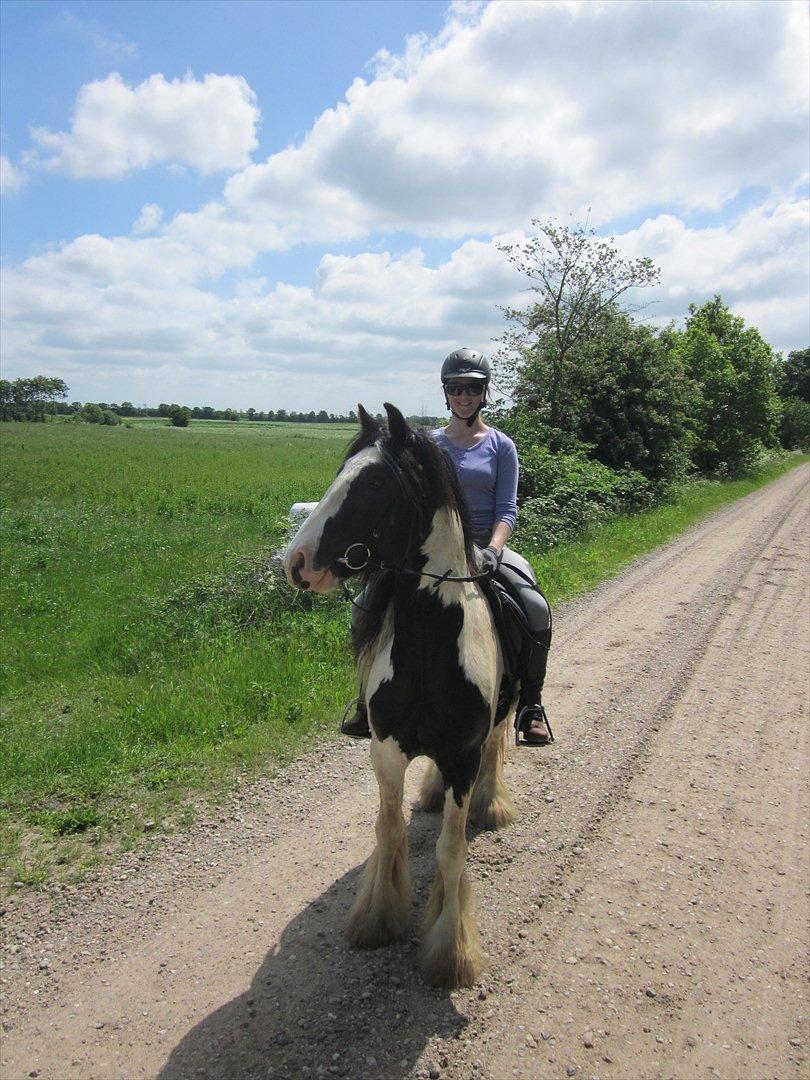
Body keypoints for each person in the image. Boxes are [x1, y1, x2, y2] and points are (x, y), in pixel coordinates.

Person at [341, 347, 553, 746]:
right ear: (446, 392)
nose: (464, 395)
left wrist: (492, 548)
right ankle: (365, 700)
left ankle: (531, 705)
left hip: (484, 549)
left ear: (484, 392)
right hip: (429, 552)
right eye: (456, 387)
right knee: (363, 607)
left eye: (472, 388)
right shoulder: (429, 445)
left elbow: (507, 508)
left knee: (536, 608)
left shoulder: (501, 446)